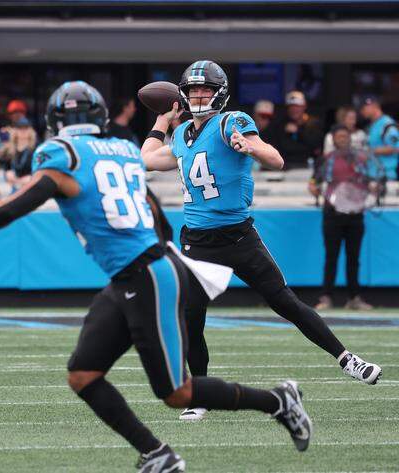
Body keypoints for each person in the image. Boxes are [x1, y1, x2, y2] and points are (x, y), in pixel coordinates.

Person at [0, 81, 313, 473]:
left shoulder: (62, 154)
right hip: (136, 273)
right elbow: (155, 214)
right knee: (83, 374)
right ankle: (157, 454)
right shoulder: (123, 152)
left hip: (145, 276)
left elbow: (13, 209)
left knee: (176, 391)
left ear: (54, 120)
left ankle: (278, 401)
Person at [140, 60, 382, 421]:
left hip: (238, 234)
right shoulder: (183, 135)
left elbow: (277, 158)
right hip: (198, 240)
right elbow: (146, 159)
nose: (199, 95)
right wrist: (163, 119)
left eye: (205, 89)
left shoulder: (230, 123)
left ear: (219, 92)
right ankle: (200, 394)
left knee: (284, 302)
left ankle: (347, 358)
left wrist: (250, 148)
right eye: (192, 90)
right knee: (192, 318)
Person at [310, 125, 377, 311]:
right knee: (331, 256)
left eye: (345, 136)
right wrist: (313, 188)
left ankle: (354, 298)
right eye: (339, 136)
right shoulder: (326, 159)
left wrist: (373, 187)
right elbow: (314, 181)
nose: (342, 139)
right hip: (332, 213)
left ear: (350, 138)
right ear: (333, 138)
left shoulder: (360, 159)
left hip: (355, 214)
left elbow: (370, 181)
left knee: (353, 258)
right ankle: (326, 297)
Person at [268, 90, 323, 169]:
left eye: (297, 106)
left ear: (304, 106)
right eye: (291, 106)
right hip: (286, 167)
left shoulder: (314, 123)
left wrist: (299, 132)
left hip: (308, 166)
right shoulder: (281, 124)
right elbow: (278, 146)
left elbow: (316, 145)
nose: (294, 109)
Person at [359, 95, 399, 180]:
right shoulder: (370, 126)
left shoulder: (387, 124)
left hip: (386, 175)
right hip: (371, 175)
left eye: (364, 108)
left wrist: (371, 151)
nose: (362, 111)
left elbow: (396, 148)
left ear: (374, 106)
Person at [0, 117, 37, 191]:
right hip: (13, 185)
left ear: (30, 131)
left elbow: (39, 168)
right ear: (15, 131)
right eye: (20, 128)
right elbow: (1, 162)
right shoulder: (9, 149)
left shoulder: (36, 149)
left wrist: (32, 177)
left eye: (26, 128)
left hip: (30, 185)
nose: (23, 131)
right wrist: (7, 173)